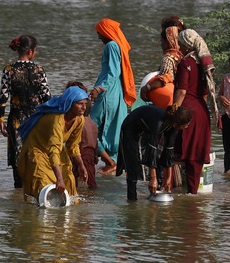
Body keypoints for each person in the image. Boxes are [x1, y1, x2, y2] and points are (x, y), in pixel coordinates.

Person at [16, 86, 89, 202]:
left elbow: (73, 145)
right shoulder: (57, 119)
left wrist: (81, 166)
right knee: (41, 182)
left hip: (56, 150)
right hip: (37, 148)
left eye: (85, 104)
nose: (84, 108)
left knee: (69, 179)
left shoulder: (80, 119)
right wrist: (59, 179)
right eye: (80, 104)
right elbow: (54, 149)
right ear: (70, 103)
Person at [0, 34, 51, 188]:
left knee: (18, 156)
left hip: (16, 118)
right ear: (31, 51)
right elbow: (47, 96)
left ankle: (19, 188)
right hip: (36, 118)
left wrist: (1, 120)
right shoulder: (39, 70)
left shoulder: (9, 70)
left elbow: (3, 97)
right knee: (37, 152)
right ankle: (36, 186)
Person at [173, 26, 217, 194]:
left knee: (183, 154)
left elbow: (182, 90)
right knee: (196, 157)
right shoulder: (203, 64)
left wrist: (173, 110)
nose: (179, 47)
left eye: (180, 44)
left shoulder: (186, 62)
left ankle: (182, 194)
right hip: (202, 112)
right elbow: (205, 92)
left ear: (186, 45)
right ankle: (193, 194)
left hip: (187, 112)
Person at [89, 18, 136, 175]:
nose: (98, 37)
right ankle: (111, 161)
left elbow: (113, 72)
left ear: (106, 32)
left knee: (88, 127)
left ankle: (110, 162)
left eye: (99, 33)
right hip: (115, 92)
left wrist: (98, 89)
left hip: (107, 93)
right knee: (111, 127)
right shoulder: (116, 46)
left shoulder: (111, 45)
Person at [116, 105, 192, 200]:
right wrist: (152, 178)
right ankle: (132, 200)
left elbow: (169, 151)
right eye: (186, 125)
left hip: (146, 130)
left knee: (159, 164)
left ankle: (156, 194)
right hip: (130, 128)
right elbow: (151, 150)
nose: (187, 126)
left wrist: (168, 178)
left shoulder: (174, 127)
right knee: (133, 165)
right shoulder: (158, 122)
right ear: (177, 124)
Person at [140, 16, 185, 109]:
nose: (160, 44)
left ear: (169, 40)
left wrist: (146, 89)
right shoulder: (183, 54)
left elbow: (165, 78)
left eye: (162, 41)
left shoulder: (169, 57)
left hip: (173, 100)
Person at [67, 81, 99, 190]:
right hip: (90, 157)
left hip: (81, 156)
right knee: (91, 183)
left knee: (75, 182)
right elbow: (96, 144)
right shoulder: (93, 124)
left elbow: (75, 144)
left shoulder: (79, 123)